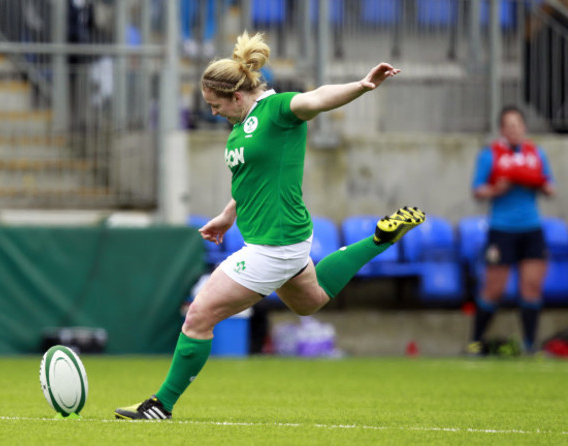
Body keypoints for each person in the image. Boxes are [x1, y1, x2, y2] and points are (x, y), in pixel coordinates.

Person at [115, 31, 425, 420]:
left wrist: (361, 87)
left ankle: (159, 406)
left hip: (273, 245)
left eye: (215, 105)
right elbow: (251, 178)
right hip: (279, 238)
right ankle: (379, 239)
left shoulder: (277, 110)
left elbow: (315, 98)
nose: (213, 112)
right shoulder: (240, 125)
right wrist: (229, 214)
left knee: (197, 316)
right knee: (310, 302)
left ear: (237, 96)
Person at [466, 105, 556, 355]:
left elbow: (551, 187)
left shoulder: (536, 153)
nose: (514, 129)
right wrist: (497, 189)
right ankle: (474, 342)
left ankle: (529, 345)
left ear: (524, 127)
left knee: (532, 287)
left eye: (518, 124)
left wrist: (539, 184)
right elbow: (478, 190)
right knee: (494, 288)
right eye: (509, 125)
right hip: (502, 229)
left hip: (531, 227)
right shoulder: (490, 155)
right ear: (502, 129)